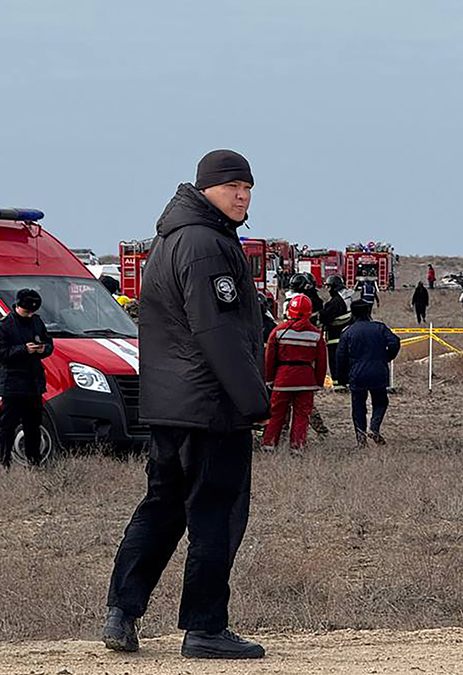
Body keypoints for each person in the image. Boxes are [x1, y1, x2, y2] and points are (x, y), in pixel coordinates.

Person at [105, 150, 269, 659]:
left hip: (171, 406)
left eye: (248, 188)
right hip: (211, 407)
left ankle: (122, 612)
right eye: (233, 187)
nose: (242, 196)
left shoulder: (172, 239)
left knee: (161, 508)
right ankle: (205, 628)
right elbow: (216, 331)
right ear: (206, 190)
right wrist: (254, 402)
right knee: (215, 515)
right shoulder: (206, 245)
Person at [262, 294, 327, 453]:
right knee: (302, 415)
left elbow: (269, 359)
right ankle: (297, 447)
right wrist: (318, 383)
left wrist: (269, 380)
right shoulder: (316, 334)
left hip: (283, 378)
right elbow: (321, 363)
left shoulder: (278, 332)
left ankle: (269, 445)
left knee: (276, 414)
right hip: (306, 380)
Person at [0, 289, 54, 469]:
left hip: (34, 384)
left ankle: (35, 462)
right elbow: (2, 353)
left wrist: (43, 349)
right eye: (26, 311)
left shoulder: (37, 322)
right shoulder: (5, 326)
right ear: (17, 306)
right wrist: (23, 349)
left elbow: (49, 344)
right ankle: (4, 461)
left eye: (33, 311)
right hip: (13, 385)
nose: (30, 314)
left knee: (33, 426)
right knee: (7, 426)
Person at [337, 300, 400, 446]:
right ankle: (374, 427)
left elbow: (340, 357)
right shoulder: (380, 327)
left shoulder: (348, 332)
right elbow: (394, 343)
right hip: (378, 372)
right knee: (381, 402)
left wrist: (341, 379)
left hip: (357, 374)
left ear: (352, 313)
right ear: (369, 312)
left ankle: (361, 439)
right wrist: (386, 357)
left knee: (358, 406)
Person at [319, 274, 354, 388]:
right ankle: (346, 382)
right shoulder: (346, 298)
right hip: (345, 335)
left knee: (335, 361)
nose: (328, 290)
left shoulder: (336, 301)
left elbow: (325, 317)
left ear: (334, 287)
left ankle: (338, 384)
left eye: (329, 287)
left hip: (335, 336)